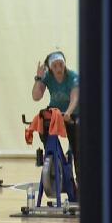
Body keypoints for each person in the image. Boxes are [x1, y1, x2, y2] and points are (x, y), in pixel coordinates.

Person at [32, 50, 80, 184]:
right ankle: (53, 156)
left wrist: (69, 113)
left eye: (61, 65)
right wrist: (38, 78)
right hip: (55, 112)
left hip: (72, 113)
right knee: (42, 122)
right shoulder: (47, 76)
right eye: (55, 66)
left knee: (78, 148)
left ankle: (80, 180)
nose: (58, 68)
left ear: (65, 64)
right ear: (51, 68)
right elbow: (36, 96)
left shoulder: (73, 76)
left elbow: (75, 97)